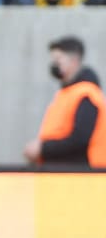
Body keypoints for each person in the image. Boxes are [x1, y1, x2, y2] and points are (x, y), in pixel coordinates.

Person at [24, 36, 106, 168]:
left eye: (58, 60)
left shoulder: (86, 94)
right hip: (64, 175)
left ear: (73, 61)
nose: (54, 65)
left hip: (82, 177)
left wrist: (43, 149)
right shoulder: (67, 94)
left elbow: (80, 140)